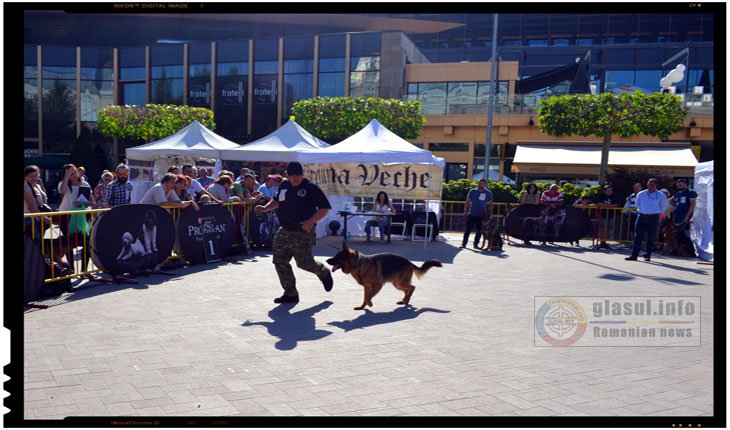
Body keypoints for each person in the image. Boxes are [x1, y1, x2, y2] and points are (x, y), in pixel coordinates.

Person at [253, 161, 334, 304]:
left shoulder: (310, 188)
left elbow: (324, 208)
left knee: (304, 263)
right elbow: (277, 201)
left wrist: (311, 221)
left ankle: (323, 272)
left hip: (303, 231)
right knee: (279, 261)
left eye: (299, 175)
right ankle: (291, 294)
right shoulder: (284, 185)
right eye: (293, 176)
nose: (296, 178)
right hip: (284, 230)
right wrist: (264, 208)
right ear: (287, 176)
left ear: (303, 175)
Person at [57, 164, 94, 274]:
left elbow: (92, 202)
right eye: (70, 173)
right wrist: (66, 176)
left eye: (74, 172)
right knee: (69, 242)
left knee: (86, 242)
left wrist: (82, 203)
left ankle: (84, 270)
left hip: (81, 215)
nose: (73, 175)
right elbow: (61, 191)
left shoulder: (85, 184)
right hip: (66, 215)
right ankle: (71, 268)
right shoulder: (63, 184)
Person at [625, 178, 667, 262]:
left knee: (650, 237)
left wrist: (655, 213)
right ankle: (634, 254)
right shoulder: (641, 194)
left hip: (654, 217)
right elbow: (638, 204)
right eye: (649, 185)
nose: (650, 187)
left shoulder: (661, 195)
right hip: (641, 216)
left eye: (652, 185)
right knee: (638, 236)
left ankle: (647, 255)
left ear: (656, 186)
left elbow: (663, 207)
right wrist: (642, 211)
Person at [461, 179, 493, 249]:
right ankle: (464, 243)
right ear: (477, 184)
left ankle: (476, 244)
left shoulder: (488, 192)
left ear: (485, 185)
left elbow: (491, 203)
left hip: (482, 215)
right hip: (472, 213)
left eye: (482, 184)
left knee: (479, 230)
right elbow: (467, 201)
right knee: (468, 229)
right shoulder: (472, 191)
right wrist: (465, 211)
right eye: (479, 183)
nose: (481, 185)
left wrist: (490, 213)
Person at [24, 165, 52, 241]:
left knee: (40, 241)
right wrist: (43, 218)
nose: (34, 178)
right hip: (30, 219)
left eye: (36, 175)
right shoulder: (25, 187)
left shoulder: (38, 186)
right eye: (31, 176)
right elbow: (31, 206)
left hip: (39, 218)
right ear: (26, 177)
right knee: (36, 243)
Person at [594, 184, 618, 249]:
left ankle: (604, 242)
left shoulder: (614, 196)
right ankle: (601, 241)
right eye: (608, 191)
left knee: (608, 228)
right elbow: (599, 204)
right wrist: (609, 205)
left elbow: (615, 205)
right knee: (602, 228)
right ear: (604, 191)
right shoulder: (601, 195)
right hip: (602, 214)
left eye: (611, 191)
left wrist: (604, 205)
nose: (610, 192)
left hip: (611, 215)